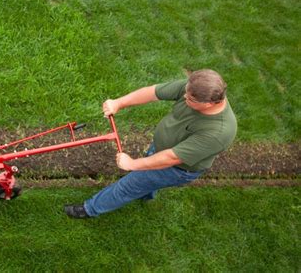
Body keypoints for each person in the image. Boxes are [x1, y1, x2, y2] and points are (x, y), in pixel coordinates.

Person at [64, 69, 237, 218]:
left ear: (209, 104)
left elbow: (172, 158)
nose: (184, 97)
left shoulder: (219, 132)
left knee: (128, 186)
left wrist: (132, 164)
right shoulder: (196, 88)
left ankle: (89, 209)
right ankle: (146, 194)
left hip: (176, 169)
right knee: (145, 183)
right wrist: (119, 103)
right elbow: (154, 92)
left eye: (190, 99)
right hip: (162, 150)